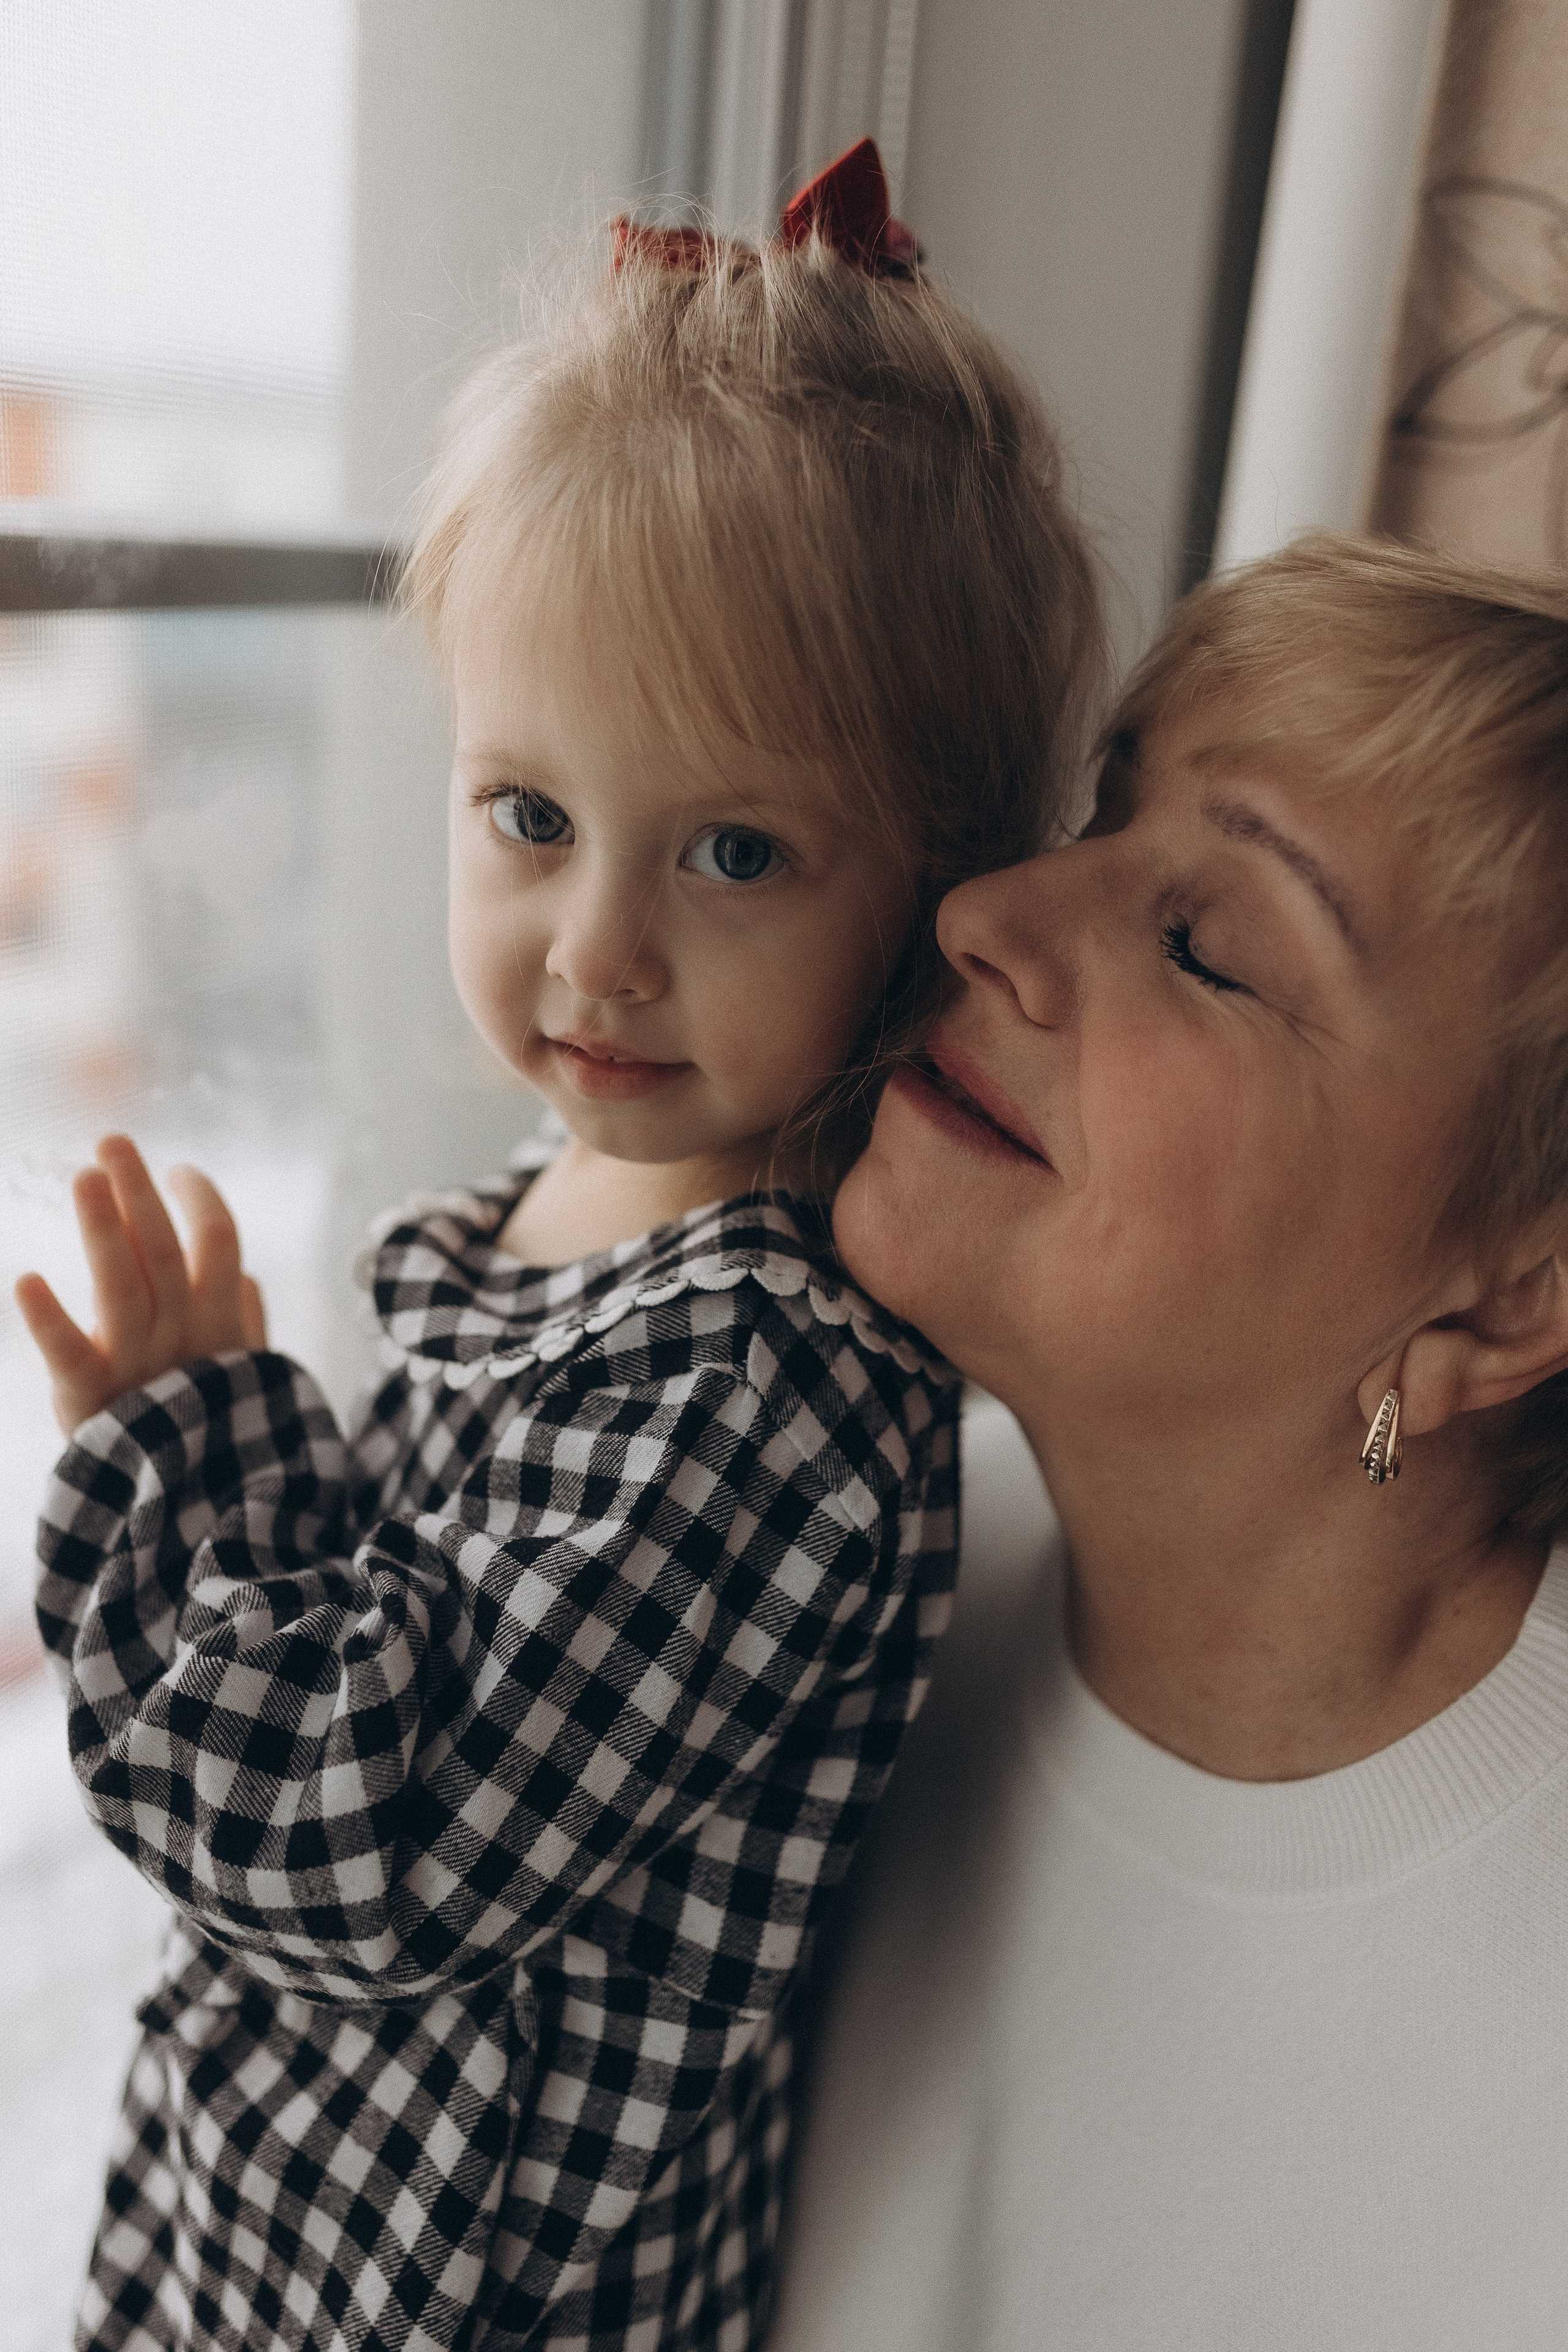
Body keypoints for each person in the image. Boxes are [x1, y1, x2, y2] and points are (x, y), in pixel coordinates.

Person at [15, 144, 1102, 2352]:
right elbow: (417, 1621)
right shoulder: (564, 1206)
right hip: (288, 2229)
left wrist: (183, 1467)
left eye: (731, 850)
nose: (593, 952)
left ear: (938, 887)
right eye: (528, 815)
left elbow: (381, 1824)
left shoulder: (762, 1387)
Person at [775, 533, 1568, 2351]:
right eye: (1099, 814)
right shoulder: (837, 1578)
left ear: (1505, 1300)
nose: (992, 912)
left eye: (1207, 948)